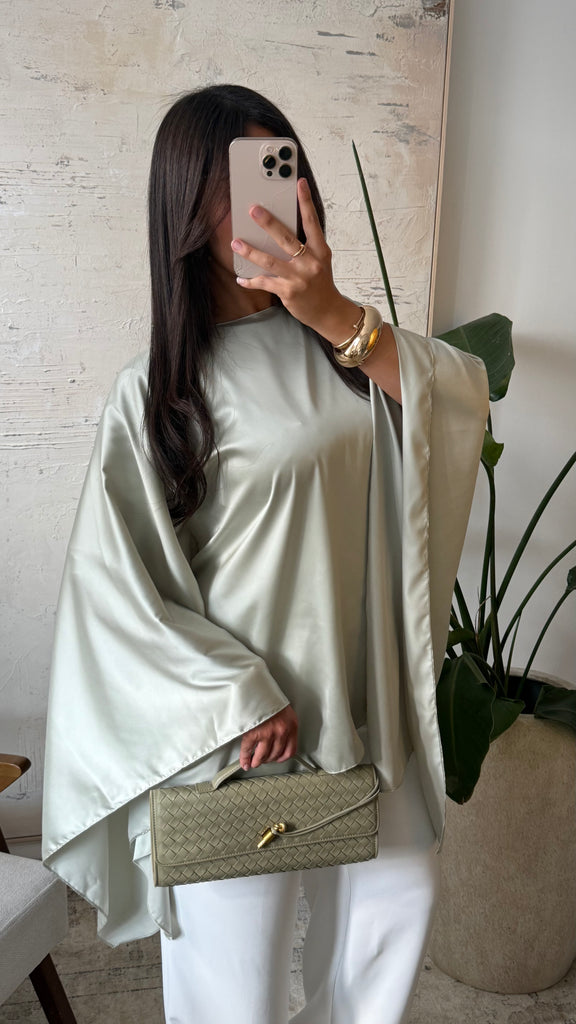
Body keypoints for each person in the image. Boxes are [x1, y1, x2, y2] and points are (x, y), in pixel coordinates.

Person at [42, 84, 488, 1023]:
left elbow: (455, 400)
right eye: (232, 183)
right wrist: (238, 693)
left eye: (275, 172)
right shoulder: (157, 395)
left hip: (368, 714)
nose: (260, 204)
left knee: (391, 926)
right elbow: (111, 592)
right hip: (245, 736)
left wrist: (333, 315)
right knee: (230, 991)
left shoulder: (345, 347)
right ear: (185, 207)